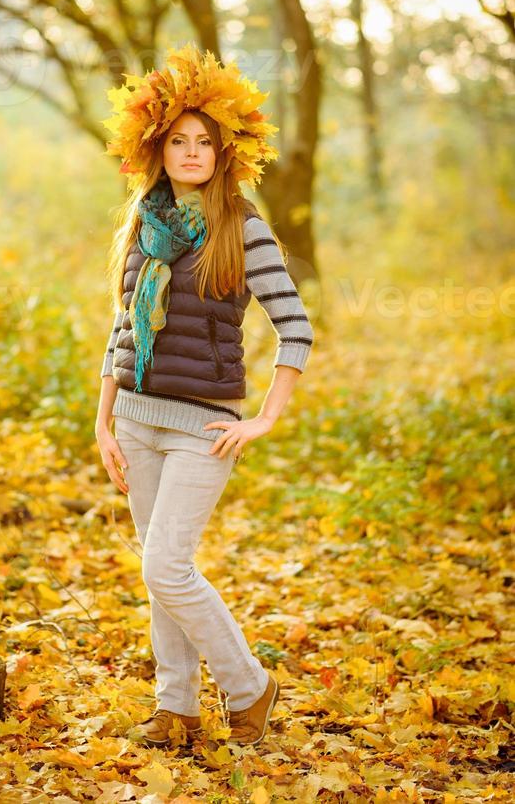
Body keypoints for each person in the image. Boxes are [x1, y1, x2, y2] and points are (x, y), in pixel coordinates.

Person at [94, 42, 314, 749]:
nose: (192, 153)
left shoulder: (243, 229)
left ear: (224, 154)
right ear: (157, 149)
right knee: (160, 575)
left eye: (204, 144)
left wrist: (263, 421)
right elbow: (122, 326)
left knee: (167, 565)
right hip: (135, 420)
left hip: (204, 427)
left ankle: (249, 686)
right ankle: (176, 707)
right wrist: (102, 422)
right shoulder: (140, 226)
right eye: (179, 141)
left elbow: (297, 332)